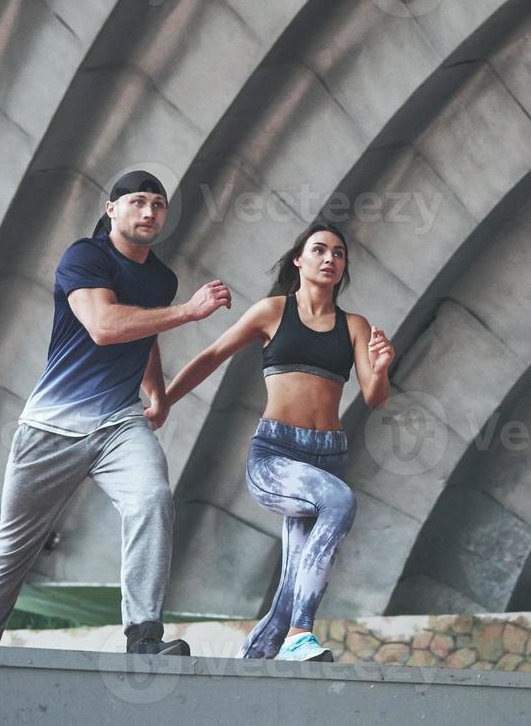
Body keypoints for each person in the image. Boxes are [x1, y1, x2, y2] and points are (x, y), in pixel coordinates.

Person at [0, 171, 232, 655]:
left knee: (151, 498)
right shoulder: (85, 256)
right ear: (112, 210)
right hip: (53, 425)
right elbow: (105, 326)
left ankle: (143, 637)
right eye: (137, 202)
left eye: (158, 204)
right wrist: (189, 312)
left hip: (118, 423)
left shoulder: (160, 278)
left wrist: (157, 391)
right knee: (13, 548)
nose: (149, 212)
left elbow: (142, 333)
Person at [162, 220, 394, 661]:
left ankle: (254, 663)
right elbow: (213, 355)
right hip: (277, 456)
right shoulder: (272, 311)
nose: (330, 259)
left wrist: (380, 369)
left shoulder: (355, 326)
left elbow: (374, 398)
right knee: (339, 503)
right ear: (299, 259)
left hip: (328, 458)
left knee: (293, 582)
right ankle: (300, 635)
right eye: (320, 250)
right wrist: (164, 401)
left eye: (338, 254)